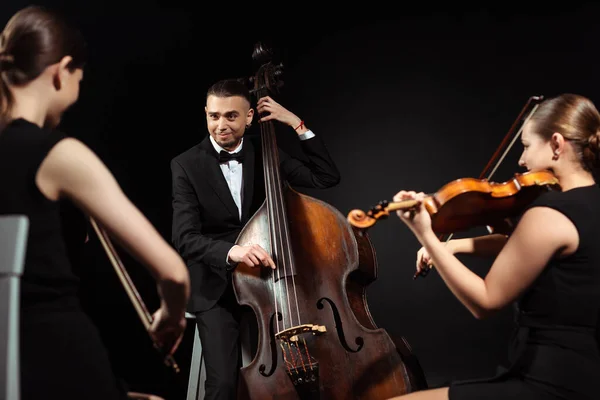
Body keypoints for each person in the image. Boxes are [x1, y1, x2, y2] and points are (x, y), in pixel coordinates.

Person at [0, 6, 190, 400]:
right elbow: (174, 274)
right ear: (61, 70)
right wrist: (170, 320)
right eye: (79, 78)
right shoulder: (59, 154)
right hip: (56, 359)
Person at [387, 93, 600, 400]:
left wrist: (426, 236)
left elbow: (485, 301)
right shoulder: (588, 204)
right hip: (583, 374)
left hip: (548, 383)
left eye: (526, 145)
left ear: (556, 144)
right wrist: (453, 247)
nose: (521, 160)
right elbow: (522, 247)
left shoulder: (549, 214)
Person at [170, 78, 341, 399]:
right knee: (221, 385)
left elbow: (326, 176)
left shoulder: (266, 151)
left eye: (231, 116)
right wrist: (232, 251)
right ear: (206, 113)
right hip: (216, 284)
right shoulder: (185, 164)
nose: (220, 125)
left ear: (249, 117)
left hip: (271, 281)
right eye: (213, 116)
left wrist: (295, 122)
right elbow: (185, 237)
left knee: (303, 371)